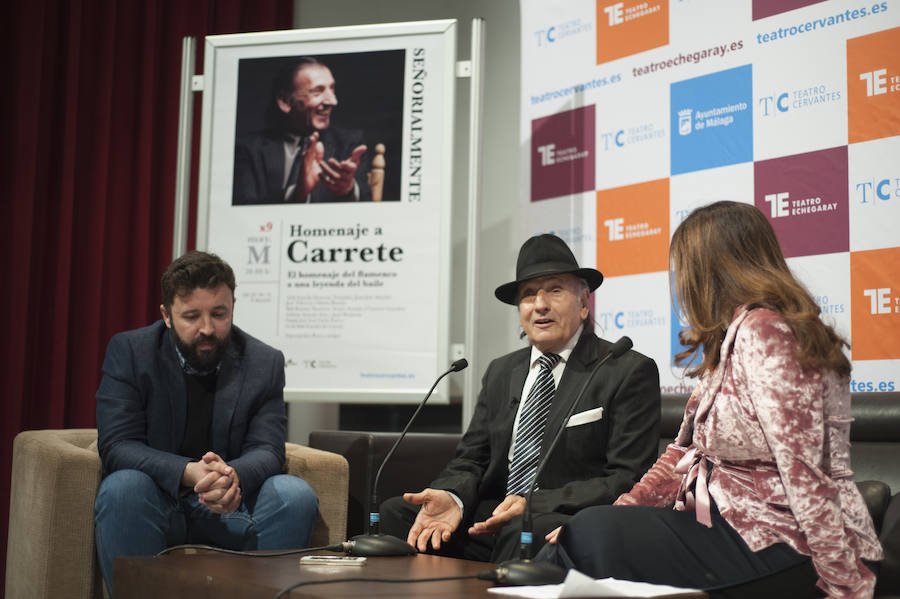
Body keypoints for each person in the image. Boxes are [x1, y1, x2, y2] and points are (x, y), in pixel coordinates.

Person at [538, 202, 883, 597]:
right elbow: (683, 453)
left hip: (787, 541)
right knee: (586, 531)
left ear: (713, 269)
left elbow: (803, 470)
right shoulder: (733, 336)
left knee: (590, 534)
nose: (681, 283)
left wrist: (843, 581)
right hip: (730, 527)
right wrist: (619, 514)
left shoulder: (765, 332)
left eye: (685, 268)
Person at [379, 233, 661, 563]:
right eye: (528, 295)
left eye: (555, 290)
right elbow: (472, 458)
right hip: (497, 513)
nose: (540, 304)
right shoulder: (501, 371)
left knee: (521, 529)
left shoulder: (624, 369)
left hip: (560, 515)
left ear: (584, 303)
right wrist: (452, 496)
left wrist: (531, 503)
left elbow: (627, 477)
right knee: (398, 514)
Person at [93, 251, 318, 595]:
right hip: (155, 499)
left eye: (219, 314)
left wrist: (231, 477)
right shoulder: (131, 352)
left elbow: (267, 448)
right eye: (191, 316)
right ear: (166, 315)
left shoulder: (264, 362)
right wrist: (189, 472)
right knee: (123, 488)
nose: (207, 329)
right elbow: (118, 445)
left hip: (231, 505)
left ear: (233, 307)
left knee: (294, 495)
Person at [232, 57, 370, 204]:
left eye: (332, 89)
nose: (333, 101)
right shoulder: (248, 149)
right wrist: (297, 194)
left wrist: (348, 189)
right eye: (317, 92)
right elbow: (242, 211)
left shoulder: (349, 143)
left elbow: (369, 205)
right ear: (285, 101)